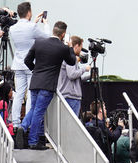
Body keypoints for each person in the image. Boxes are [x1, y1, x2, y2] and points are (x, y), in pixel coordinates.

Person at [17, 21, 76, 150]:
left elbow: (27, 60)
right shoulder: (63, 48)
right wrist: (70, 46)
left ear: (54, 31)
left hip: (35, 82)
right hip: (48, 85)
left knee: (34, 109)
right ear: (63, 34)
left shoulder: (39, 42)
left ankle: (22, 127)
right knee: (39, 112)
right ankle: (33, 141)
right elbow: (72, 61)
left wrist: (35, 70)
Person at [9, 2, 49, 132]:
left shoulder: (12, 28)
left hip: (18, 63)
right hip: (31, 64)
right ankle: (28, 122)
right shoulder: (32, 27)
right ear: (29, 12)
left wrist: (34, 23)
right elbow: (46, 38)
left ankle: (15, 123)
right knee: (31, 95)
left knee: (19, 94)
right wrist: (45, 24)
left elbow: (27, 35)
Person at [58, 35, 90, 117]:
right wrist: (84, 69)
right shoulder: (70, 57)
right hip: (71, 97)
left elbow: (75, 78)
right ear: (76, 46)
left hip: (68, 96)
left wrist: (89, 77)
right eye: (81, 47)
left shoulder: (66, 56)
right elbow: (72, 75)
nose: (81, 50)